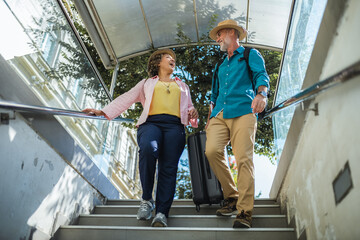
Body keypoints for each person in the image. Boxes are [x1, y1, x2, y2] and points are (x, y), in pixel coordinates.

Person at [82, 49, 198, 227]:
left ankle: (161, 213)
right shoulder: (146, 83)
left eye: (173, 58)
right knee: (148, 149)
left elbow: (189, 108)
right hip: (151, 123)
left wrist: (193, 113)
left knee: (168, 168)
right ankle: (146, 200)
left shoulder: (183, 85)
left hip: (175, 127)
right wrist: (103, 112)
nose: (172, 59)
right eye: (168, 57)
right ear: (158, 62)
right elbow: (127, 98)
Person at [205, 19, 270, 228]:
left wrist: (261, 94)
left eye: (219, 34)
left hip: (243, 110)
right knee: (211, 151)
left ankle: (244, 211)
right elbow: (214, 95)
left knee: (243, 158)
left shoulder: (250, 54)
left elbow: (261, 75)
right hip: (219, 114)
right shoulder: (220, 65)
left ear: (232, 33)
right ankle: (231, 195)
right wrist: (209, 119)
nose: (217, 39)